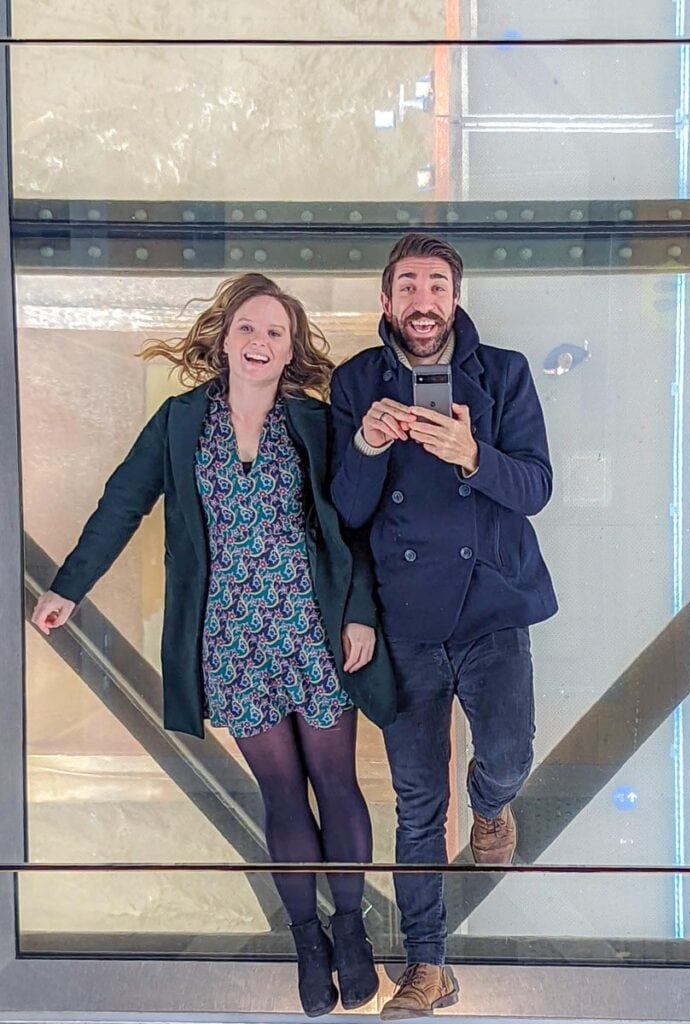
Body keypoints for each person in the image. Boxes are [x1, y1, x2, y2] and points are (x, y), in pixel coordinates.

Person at [31, 272, 397, 1019]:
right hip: (230, 638)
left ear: (290, 350)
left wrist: (359, 613)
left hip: (311, 627)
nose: (260, 343)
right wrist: (68, 587)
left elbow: (352, 527)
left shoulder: (315, 421)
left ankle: (352, 931)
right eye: (248, 329)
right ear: (223, 339)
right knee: (281, 794)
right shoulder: (178, 422)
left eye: (275, 333)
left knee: (336, 784)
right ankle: (307, 940)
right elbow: (122, 503)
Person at [330, 234, 557, 1019]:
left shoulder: (506, 373)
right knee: (417, 800)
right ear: (385, 299)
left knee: (507, 750)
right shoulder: (357, 381)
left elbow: (535, 488)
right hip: (406, 620)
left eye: (435, 286)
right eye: (407, 287)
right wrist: (364, 441)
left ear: (454, 297)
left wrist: (471, 453)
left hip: (493, 603)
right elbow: (347, 513)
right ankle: (426, 967)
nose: (422, 302)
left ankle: (493, 805)